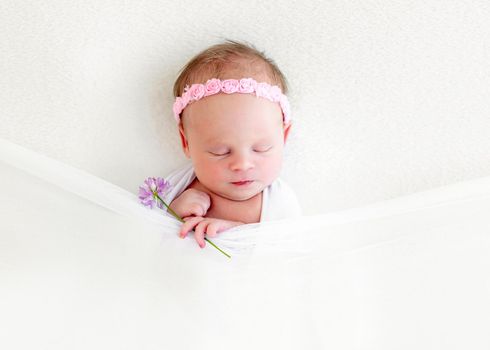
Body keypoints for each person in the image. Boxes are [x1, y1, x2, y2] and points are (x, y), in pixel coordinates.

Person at [162, 39, 302, 249]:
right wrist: (172, 214)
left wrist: (234, 233)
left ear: (284, 137)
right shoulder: (177, 187)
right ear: (186, 142)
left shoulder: (280, 201)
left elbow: (288, 257)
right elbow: (142, 243)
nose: (243, 164)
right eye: (220, 151)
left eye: (261, 148)